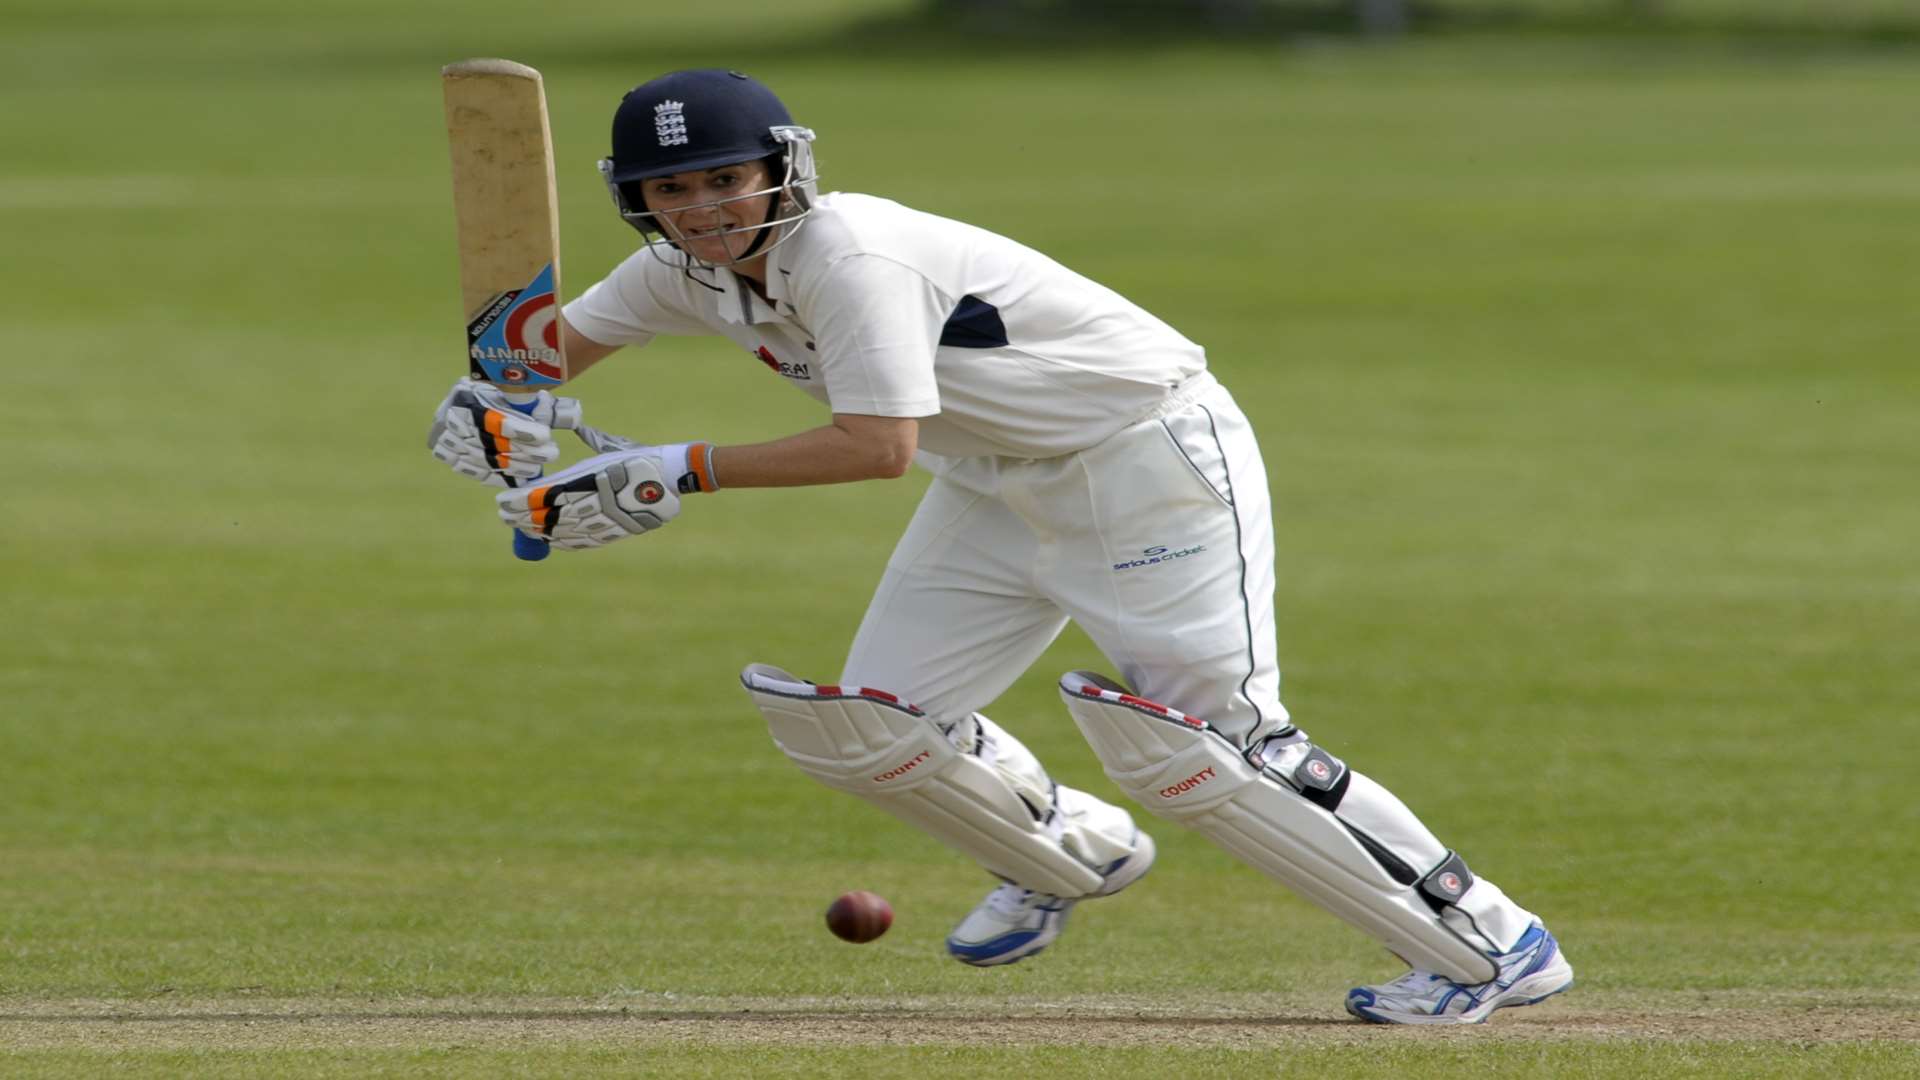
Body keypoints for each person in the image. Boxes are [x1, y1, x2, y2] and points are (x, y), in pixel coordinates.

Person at [428, 68, 1574, 1025]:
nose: (707, 208)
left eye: (727, 180)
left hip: (1147, 462)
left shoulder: (851, 256)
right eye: (673, 191)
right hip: (993, 480)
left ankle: (1494, 943)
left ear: (781, 167)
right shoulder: (684, 272)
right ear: (641, 202)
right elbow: (535, 360)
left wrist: (668, 468)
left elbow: (877, 446)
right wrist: (498, 416)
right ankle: (1068, 854)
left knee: (1220, 747)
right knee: (871, 725)